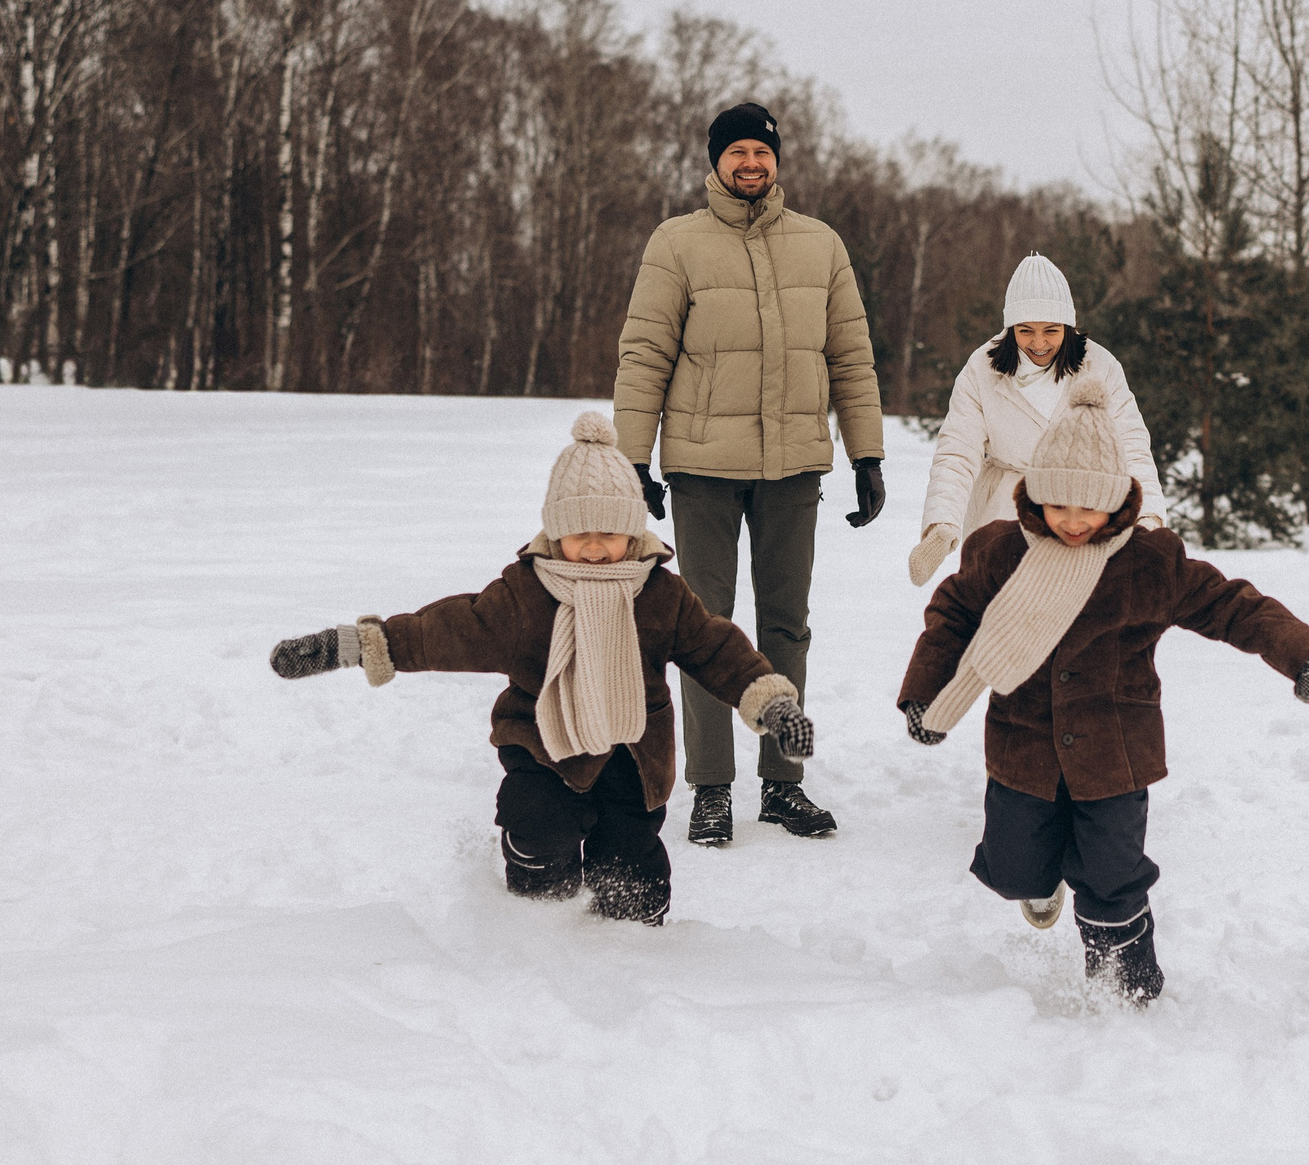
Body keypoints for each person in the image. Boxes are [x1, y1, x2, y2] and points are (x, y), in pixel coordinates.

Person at [266, 411, 814, 926]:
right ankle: (535, 917)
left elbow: (715, 649)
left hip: (633, 754)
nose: (594, 550)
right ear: (555, 532)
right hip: (542, 743)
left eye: (609, 534)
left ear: (632, 532)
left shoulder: (659, 594)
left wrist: (771, 702)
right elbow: (449, 630)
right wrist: (354, 646)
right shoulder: (528, 593)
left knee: (632, 874)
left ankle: (633, 943)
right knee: (539, 828)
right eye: (580, 535)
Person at [894, 375, 1309, 1003]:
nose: (1073, 522)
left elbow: (1232, 605)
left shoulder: (1148, 562)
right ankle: (1044, 881)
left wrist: (1301, 654)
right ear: (1035, 494)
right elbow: (953, 615)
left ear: (1118, 501)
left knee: (1112, 878)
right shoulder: (1000, 551)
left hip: (1115, 753)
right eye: (1058, 505)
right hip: (1024, 748)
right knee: (1015, 868)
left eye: (1089, 507)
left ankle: (1129, 991)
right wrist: (925, 694)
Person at [614, 101, 886, 848]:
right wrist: (632, 458)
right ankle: (710, 787)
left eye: (761, 152)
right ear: (715, 161)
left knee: (786, 626)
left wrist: (866, 455)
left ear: (777, 161)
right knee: (705, 628)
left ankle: (782, 782)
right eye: (736, 152)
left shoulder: (821, 245)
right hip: (702, 466)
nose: (750, 163)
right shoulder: (677, 243)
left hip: (793, 466)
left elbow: (851, 357)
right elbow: (644, 354)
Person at [909, 252, 1164, 588]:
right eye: (1026, 330)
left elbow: (1130, 447)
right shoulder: (981, 369)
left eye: (1051, 330)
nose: (1039, 342)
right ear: (1011, 327)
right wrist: (941, 524)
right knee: (1003, 608)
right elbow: (957, 452)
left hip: (1078, 512)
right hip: (1004, 513)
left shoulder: (1100, 367)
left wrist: (1147, 518)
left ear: (1068, 328)